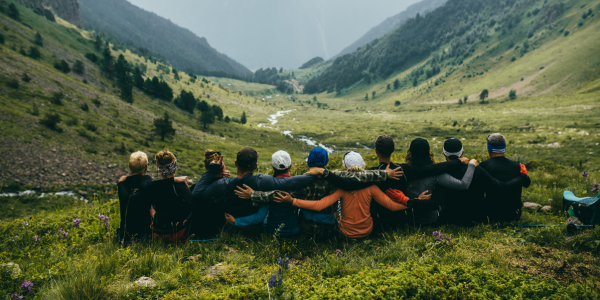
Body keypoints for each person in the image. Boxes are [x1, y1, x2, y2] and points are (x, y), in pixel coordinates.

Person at [233, 147, 404, 238]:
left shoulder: (302, 181)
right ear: (326, 162)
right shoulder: (334, 177)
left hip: (307, 230)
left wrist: (253, 195)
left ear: (309, 163)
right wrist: (384, 174)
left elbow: (277, 194)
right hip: (329, 230)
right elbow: (360, 176)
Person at [273, 152, 419, 239]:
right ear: (363, 165)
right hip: (367, 231)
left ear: (344, 166)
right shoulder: (371, 187)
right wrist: (414, 202)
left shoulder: (341, 188)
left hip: (346, 232)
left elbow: (320, 205)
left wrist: (293, 201)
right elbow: (391, 206)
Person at [192, 147, 324, 235]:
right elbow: (289, 182)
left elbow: (197, 193)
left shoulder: (223, 184)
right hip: (254, 231)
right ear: (255, 165)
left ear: (236, 163)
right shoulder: (262, 181)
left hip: (231, 228)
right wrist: (316, 174)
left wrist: (212, 170)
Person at [368, 135, 471, 230]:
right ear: (393, 150)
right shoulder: (405, 171)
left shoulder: (398, 171)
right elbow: (435, 169)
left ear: (376, 151)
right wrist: (460, 161)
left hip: (393, 222)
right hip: (421, 219)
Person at [436, 138, 531, 225]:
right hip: (474, 217)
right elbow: (502, 187)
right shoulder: (476, 169)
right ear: (462, 153)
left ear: (443, 153)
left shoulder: (436, 171)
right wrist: (523, 176)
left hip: (447, 217)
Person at [396, 138, 478, 226]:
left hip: (408, 218)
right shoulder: (435, 174)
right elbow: (463, 185)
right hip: (430, 220)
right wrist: (471, 165)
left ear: (410, 153)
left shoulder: (402, 172)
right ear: (429, 153)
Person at [226, 150, 299, 236]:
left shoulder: (266, 186)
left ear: (272, 166)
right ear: (290, 166)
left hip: (271, 231)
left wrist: (236, 221)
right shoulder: (298, 185)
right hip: (294, 231)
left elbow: (260, 217)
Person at [139, 150, 194, 243]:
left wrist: (156, 217)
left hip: (157, 232)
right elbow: (193, 205)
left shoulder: (153, 187)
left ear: (159, 168)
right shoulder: (179, 187)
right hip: (177, 233)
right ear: (174, 167)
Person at [480, 133, 532, 222]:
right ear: (504, 147)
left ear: (489, 148)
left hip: (491, 215)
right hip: (514, 215)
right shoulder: (518, 166)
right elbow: (527, 184)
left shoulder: (484, 166)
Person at [188, 149, 230, 239]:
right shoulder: (226, 186)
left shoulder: (194, 188)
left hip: (197, 234)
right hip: (219, 234)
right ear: (222, 167)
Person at [116, 151, 152, 244]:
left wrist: (120, 183)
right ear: (146, 167)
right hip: (143, 236)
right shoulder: (147, 181)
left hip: (124, 237)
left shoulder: (123, 183)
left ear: (129, 166)